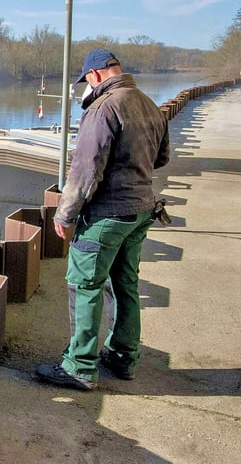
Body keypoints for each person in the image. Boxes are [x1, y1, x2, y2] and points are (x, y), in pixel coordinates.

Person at [35, 48, 170, 391]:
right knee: (126, 284)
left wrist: (65, 214)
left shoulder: (103, 107)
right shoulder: (149, 105)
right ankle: (124, 357)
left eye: (87, 81)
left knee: (84, 285)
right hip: (140, 210)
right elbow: (163, 157)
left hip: (108, 214)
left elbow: (84, 169)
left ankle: (79, 366)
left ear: (94, 75)